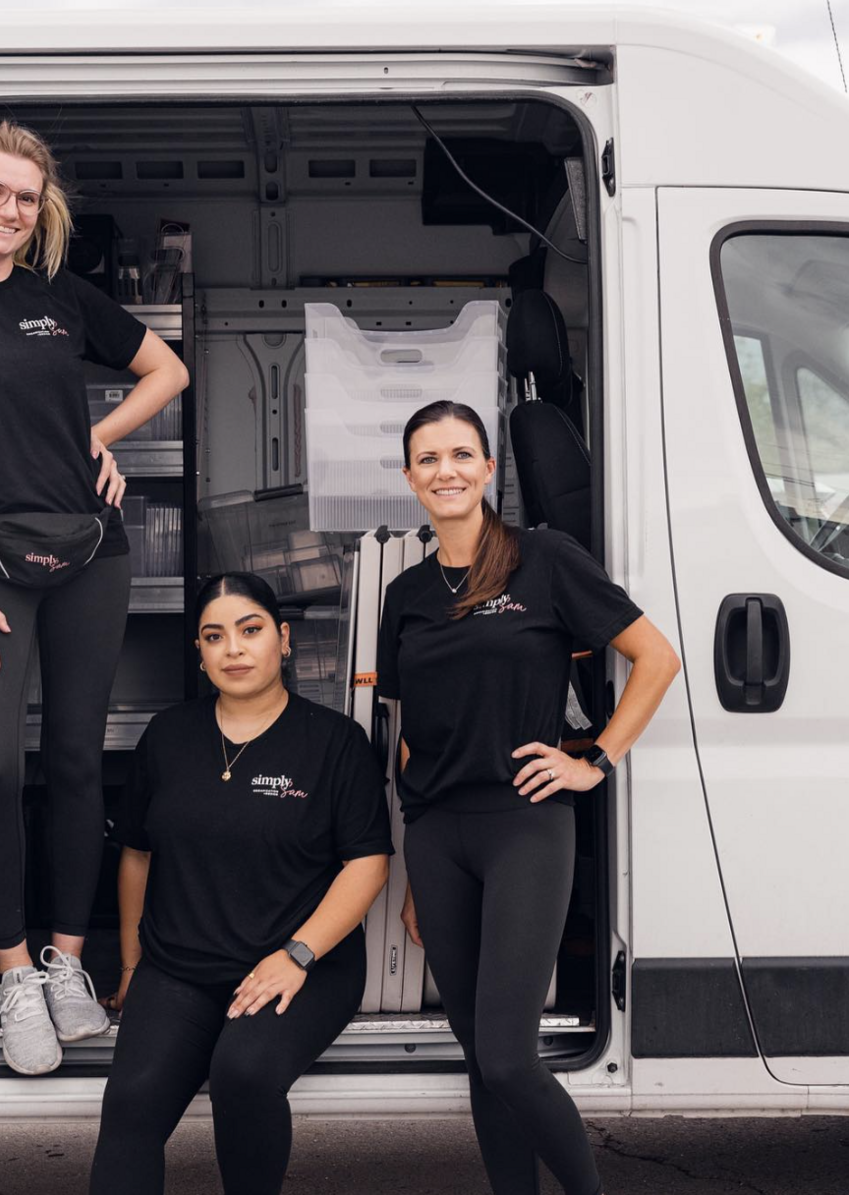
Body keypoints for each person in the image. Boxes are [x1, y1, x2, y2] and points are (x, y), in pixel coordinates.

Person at [0, 120, 189, 1075]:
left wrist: (99, 438)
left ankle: (67, 960)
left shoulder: (60, 298)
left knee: (78, 759)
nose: (9, 210)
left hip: (88, 552)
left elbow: (169, 369)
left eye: (25, 198)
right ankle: (10, 970)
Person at [376, 400, 681, 1195]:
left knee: (510, 1053)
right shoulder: (405, 593)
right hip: (440, 838)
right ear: (410, 478)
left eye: (460, 454)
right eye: (428, 458)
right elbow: (410, 735)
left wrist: (597, 762)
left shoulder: (543, 559)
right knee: (482, 1056)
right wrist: (414, 863)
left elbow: (656, 658)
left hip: (525, 826)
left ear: (486, 469)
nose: (446, 470)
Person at [90, 572, 392, 1195]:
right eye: (214, 636)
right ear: (200, 655)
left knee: (243, 1072)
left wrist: (297, 955)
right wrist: (129, 966)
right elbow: (137, 855)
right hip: (180, 965)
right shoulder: (168, 736)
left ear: (282, 640)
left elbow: (367, 864)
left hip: (301, 963)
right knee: (131, 1104)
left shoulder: (335, 742)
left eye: (250, 631)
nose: (234, 648)